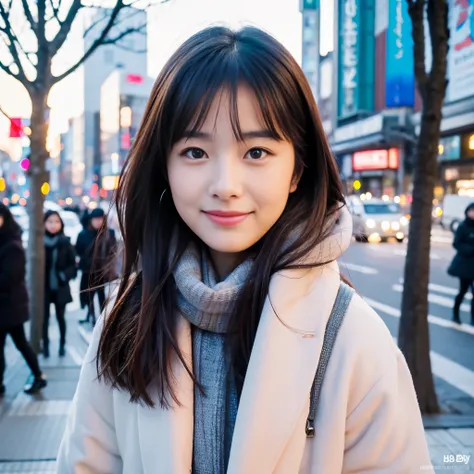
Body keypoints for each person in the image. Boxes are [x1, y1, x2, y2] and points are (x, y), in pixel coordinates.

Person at [57, 27, 432, 473]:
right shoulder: (126, 323)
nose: (225, 187)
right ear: (165, 168)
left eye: (256, 151)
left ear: (297, 170)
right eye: (195, 152)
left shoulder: (353, 337)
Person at [0, 204, 47, 396]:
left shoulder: (12, 245)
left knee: (20, 343)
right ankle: (36, 376)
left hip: (10, 307)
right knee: (14, 343)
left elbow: (10, 278)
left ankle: (37, 375)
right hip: (5, 307)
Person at [43, 211, 77, 358]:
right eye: (50, 221)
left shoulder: (65, 242)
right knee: (43, 319)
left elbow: (73, 265)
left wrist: (64, 275)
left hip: (60, 286)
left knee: (60, 317)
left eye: (56, 222)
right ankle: (45, 345)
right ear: (44, 223)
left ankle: (62, 343)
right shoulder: (39, 243)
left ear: (61, 224)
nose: (53, 225)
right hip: (43, 288)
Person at [75, 208, 117, 326]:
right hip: (88, 271)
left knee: (102, 296)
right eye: (95, 219)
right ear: (91, 220)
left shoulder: (109, 233)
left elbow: (113, 252)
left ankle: (102, 320)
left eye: (100, 219)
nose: (98, 222)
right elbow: (78, 250)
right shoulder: (83, 234)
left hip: (102, 271)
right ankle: (91, 316)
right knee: (88, 296)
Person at [448, 202, 474, 325]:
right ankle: (455, 314)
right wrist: (470, 249)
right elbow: (456, 243)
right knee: (463, 291)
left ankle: (473, 319)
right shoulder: (463, 226)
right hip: (465, 265)